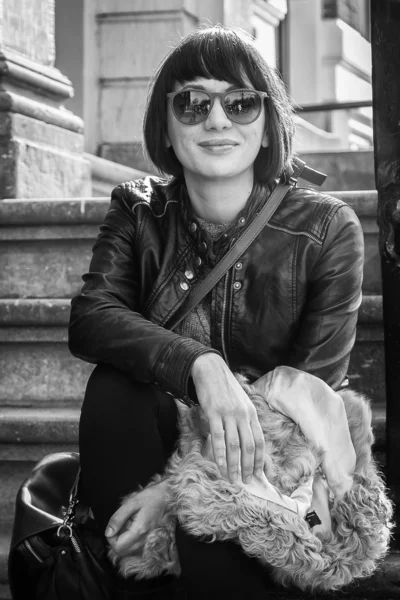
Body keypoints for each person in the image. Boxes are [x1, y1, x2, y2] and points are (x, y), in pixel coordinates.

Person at [68, 25, 364, 599]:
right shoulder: (139, 210)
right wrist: (202, 366)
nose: (217, 120)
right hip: (156, 438)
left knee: (208, 544)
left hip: (276, 468)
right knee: (115, 388)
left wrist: (178, 492)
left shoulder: (327, 229)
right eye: (194, 102)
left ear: (267, 122)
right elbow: (92, 317)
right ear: (167, 124)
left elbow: (309, 392)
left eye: (240, 102)